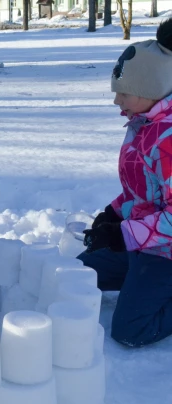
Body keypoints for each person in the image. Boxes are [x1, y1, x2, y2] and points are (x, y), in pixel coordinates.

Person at [79, 19, 172, 348]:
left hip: (166, 251)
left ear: (150, 89)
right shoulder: (144, 124)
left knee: (130, 330)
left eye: (124, 93)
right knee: (76, 276)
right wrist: (113, 213)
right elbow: (143, 188)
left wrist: (126, 234)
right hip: (146, 241)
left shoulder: (167, 140)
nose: (117, 100)